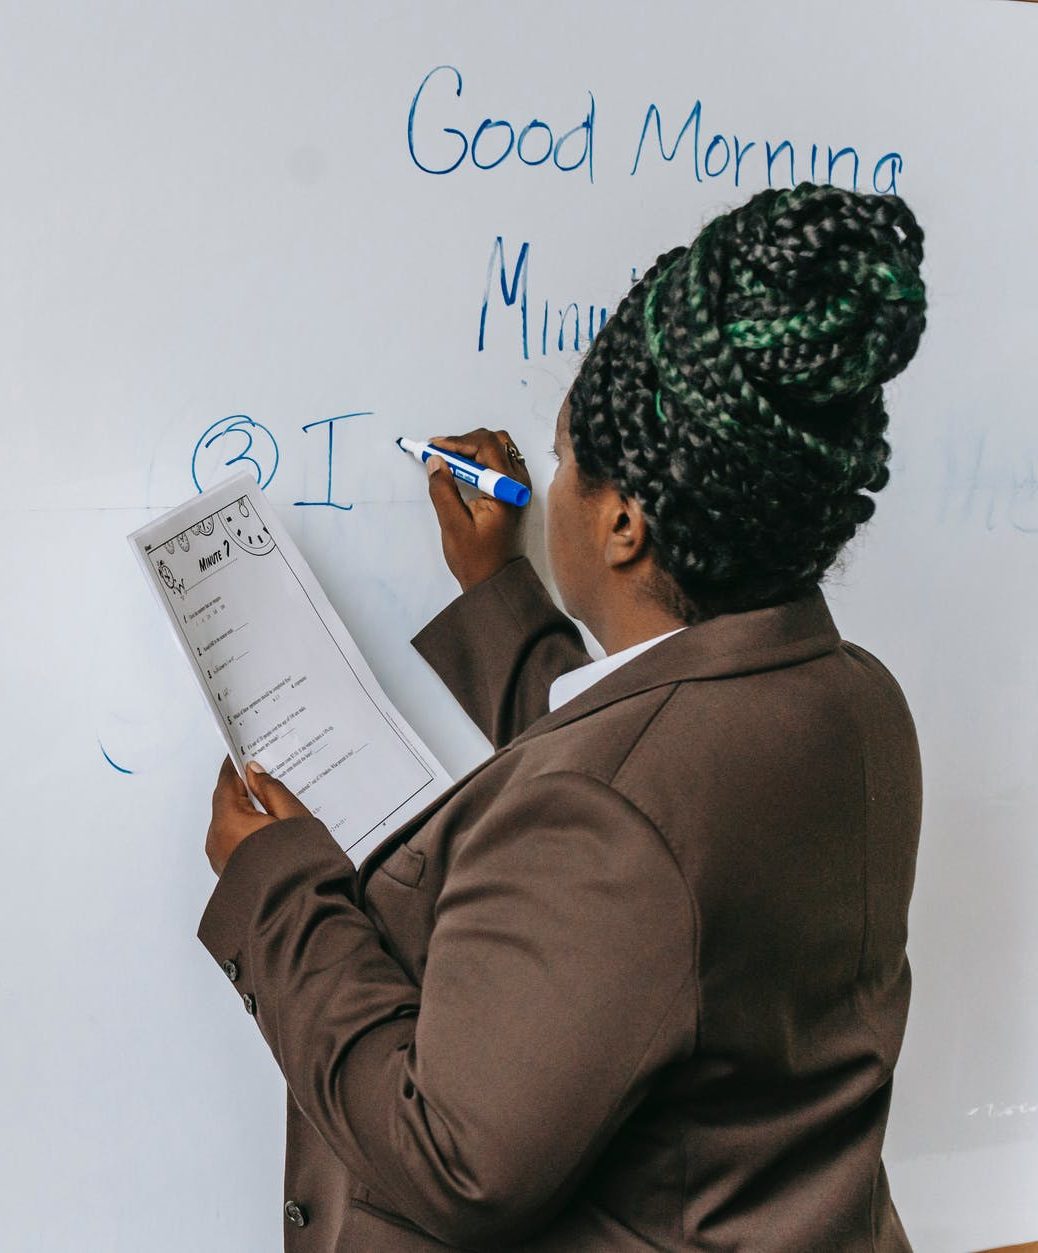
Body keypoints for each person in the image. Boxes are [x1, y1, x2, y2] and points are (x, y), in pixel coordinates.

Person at [196, 182, 928, 1250]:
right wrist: (497, 588)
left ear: (623, 525)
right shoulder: (855, 699)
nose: (555, 478)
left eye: (566, 457)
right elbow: (643, 780)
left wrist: (277, 892)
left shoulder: (609, 815)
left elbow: (455, 1160)